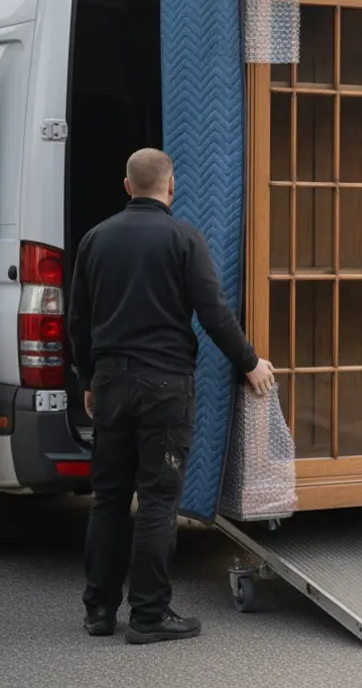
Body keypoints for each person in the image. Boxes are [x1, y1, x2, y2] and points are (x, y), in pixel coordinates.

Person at [68, 147, 276, 644]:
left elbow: (78, 321)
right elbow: (213, 313)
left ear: (127, 186)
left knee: (110, 500)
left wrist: (89, 381)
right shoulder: (184, 238)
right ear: (170, 187)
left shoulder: (95, 240)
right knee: (159, 500)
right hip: (164, 388)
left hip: (112, 383)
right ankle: (149, 616)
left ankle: (98, 612)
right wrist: (250, 363)